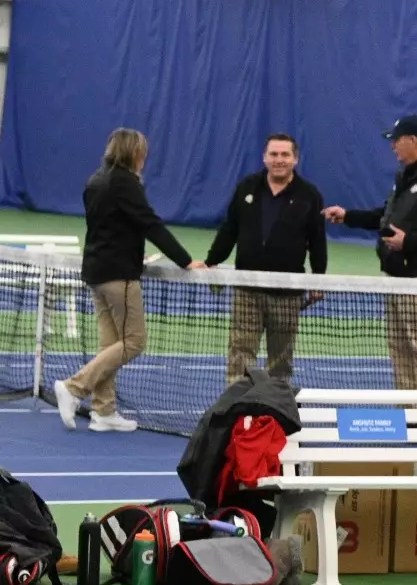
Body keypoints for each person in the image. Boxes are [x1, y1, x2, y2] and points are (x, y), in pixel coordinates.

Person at [53, 128, 206, 433]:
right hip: (118, 275)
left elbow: (114, 225)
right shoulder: (125, 182)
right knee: (134, 342)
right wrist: (187, 260)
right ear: (133, 153)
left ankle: (103, 411)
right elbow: (150, 223)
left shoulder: (96, 179)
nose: (145, 158)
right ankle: (74, 387)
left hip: (96, 272)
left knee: (111, 344)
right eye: (142, 152)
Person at [324, 115, 417, 390]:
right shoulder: (405, 175)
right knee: (400, 352)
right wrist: (349, 216)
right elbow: (385, 217)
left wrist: (408, 242)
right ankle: (411, 418)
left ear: (412, 141)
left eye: (396, 141)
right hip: (397, 275)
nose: (392, 147)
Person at [204, 134, 328, 384]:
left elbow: (317, 241)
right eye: (273, 154)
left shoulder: (309, 195)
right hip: (247, 289)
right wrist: (211, 262)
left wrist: (318, 278)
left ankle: (276, 412)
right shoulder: (247, 187)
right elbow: (230, 229)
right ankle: (238, 410)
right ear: (264, 157)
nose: (279, 160)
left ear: (295, 159)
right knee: (241, 354)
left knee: (281, 361)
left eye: (285, 155)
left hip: (287, 293)